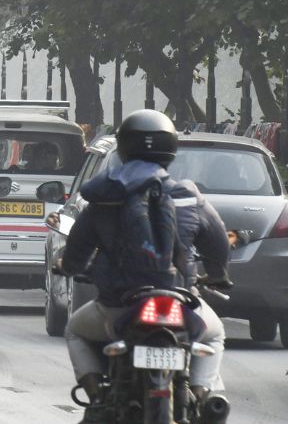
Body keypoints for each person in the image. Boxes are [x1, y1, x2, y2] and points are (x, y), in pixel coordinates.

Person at [60, 110, 230, 421]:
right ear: (171, 148)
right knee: (215, 334)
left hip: (117, 306)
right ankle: (204, 394)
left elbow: (77, 251)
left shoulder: (103, 200)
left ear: (122, 147)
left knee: (75, 331)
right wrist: (218, 276)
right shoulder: (188, 197)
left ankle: (98, 396)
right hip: (181, 303)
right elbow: (218, 244)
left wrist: (69, 267)